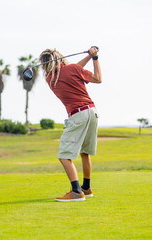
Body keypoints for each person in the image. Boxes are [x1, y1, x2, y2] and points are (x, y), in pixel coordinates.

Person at [39, 47, 102, 202]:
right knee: (84, 152)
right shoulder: (73, 69)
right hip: (92, 112)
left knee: (64, 156)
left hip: (78, 115)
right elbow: (97, 78)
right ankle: (86, 188)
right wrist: (94, 58)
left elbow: (73, 69)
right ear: (60, 58)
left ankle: (76, 192)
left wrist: (89, 56)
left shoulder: (50, 79)